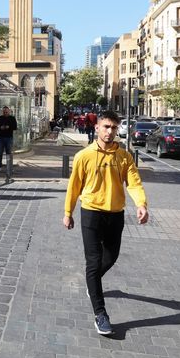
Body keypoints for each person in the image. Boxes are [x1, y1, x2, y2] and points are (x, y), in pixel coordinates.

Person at [63, 109, 148, 336]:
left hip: (115, 214)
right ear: (97, 128)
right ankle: (100, 314)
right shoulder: (84, 156)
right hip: (91, 212)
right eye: (106, 127)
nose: (110, 131)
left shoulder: (124, 156)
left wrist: (141, 204)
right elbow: (74, 186)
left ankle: (93, 283)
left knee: (111, 257)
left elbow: (134, 182)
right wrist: (68, 212)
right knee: (94, 261)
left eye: (113, 127)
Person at [0, 106, 18, 170]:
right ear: (2, 112)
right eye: (4, 112)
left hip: (9, 137)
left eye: (6, 112)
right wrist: (0, 127)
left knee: (9, 153)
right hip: (0, 138)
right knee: (0, 153)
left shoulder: (12, 118)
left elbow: (15, 127)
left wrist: (9, 127)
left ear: (9, 111)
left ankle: (9, 166)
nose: (5, 113)